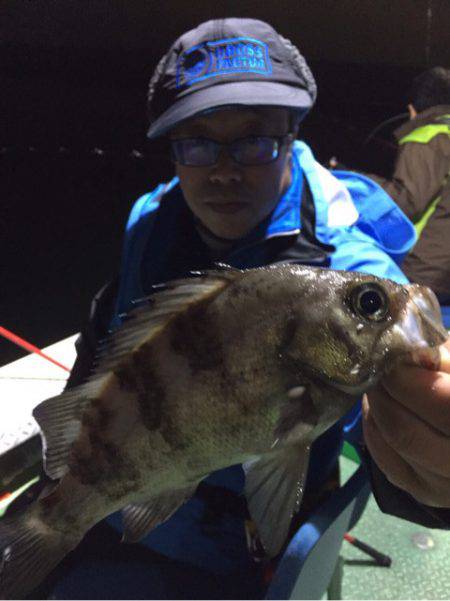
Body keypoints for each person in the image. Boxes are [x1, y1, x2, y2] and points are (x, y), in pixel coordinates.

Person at [35, 18, 450, 599]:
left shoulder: (353, 274)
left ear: (292, 134)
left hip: (241, 548)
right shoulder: (150, 221)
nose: (224, 170)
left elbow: (394, 432)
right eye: (198, 143)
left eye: (255, 140)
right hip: (124, 505)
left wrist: (429, 478)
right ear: (173, 149)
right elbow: (109, 342)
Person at [369, 66, 450, 304]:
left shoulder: (429, 136)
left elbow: (406, 202)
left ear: (413, 109)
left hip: (427, 271)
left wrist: (364, 184)